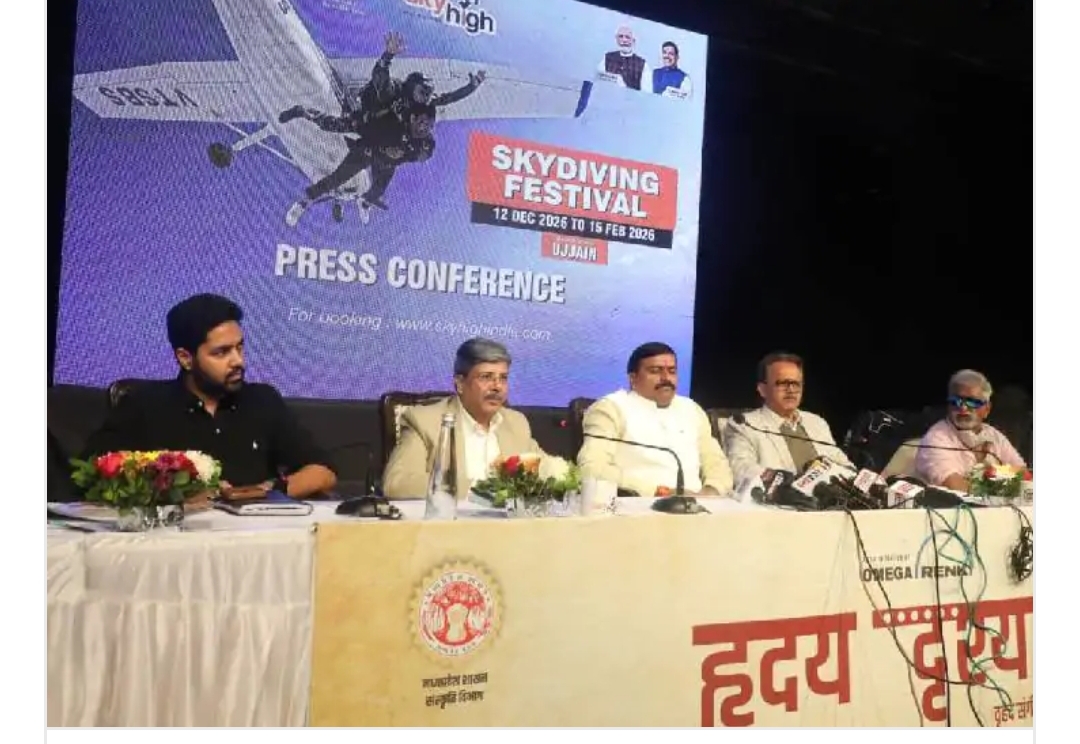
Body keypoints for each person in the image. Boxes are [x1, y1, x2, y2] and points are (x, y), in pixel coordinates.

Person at [81, 294, 337, 506]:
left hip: (255, 537)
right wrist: (176, 491)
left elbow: (323, 471)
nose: (238, 361)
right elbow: (91, 475)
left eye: (240, 347)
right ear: (185, 358)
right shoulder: (143, 404)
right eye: (222, 352)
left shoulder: (263, 400)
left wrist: (264, 492)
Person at [278, 31, 486, 226]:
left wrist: (471, 87)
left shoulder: (425, 111)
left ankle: (365, 202)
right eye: (423, 92)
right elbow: (380, 79)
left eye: (429, 93)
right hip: (368, 125)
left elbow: (449, 98)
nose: (426, 97)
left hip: (383, 149)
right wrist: (388, 55)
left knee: (378, 189)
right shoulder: (395, 91)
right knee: (332, 134)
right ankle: (303, 113)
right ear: (412, 88)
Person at [381, 338, 548, 500]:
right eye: (486, 377)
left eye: (503, 378)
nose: (497, 386)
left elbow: (547, 470)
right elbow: (396, 483)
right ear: (460, 383)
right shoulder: (425, 422)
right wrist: (480, 488)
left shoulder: (516, 423)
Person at [577, 342, 733, 497]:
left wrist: (711, 491)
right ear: (633, 378)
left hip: (698, 504)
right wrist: (660, 492)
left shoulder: (691, 408)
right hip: (638, 504)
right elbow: (592, 468)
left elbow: (716, 462)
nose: (666, 378)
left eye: (672, 371)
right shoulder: (611, 408)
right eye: (655, 371)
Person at [723, 351, 853, 489]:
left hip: (830, 499)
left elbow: (846, 466)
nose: (791, 389)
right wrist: (786, 480)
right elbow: (742, 470)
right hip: (781, 500)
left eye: (796, 383)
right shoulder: (744, 425)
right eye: (782, 383)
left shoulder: (817, 423)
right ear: (762, 389)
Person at [915, 369, 1027, 491]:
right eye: (956, 401)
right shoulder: (936, 439)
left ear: (987, 409)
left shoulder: (993, 435)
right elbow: (956, 487)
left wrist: (993, 473)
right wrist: (997, 478)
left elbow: (1023, 472)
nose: (963, 408)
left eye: (972, 402)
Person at [597, 25, 651, 91]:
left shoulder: (642, 64)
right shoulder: (607, 58)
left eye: (627, 37)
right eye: (621, 36)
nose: (624, 40)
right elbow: (599, 81)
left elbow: (646, 91)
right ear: (616, 40)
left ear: (633, 41)